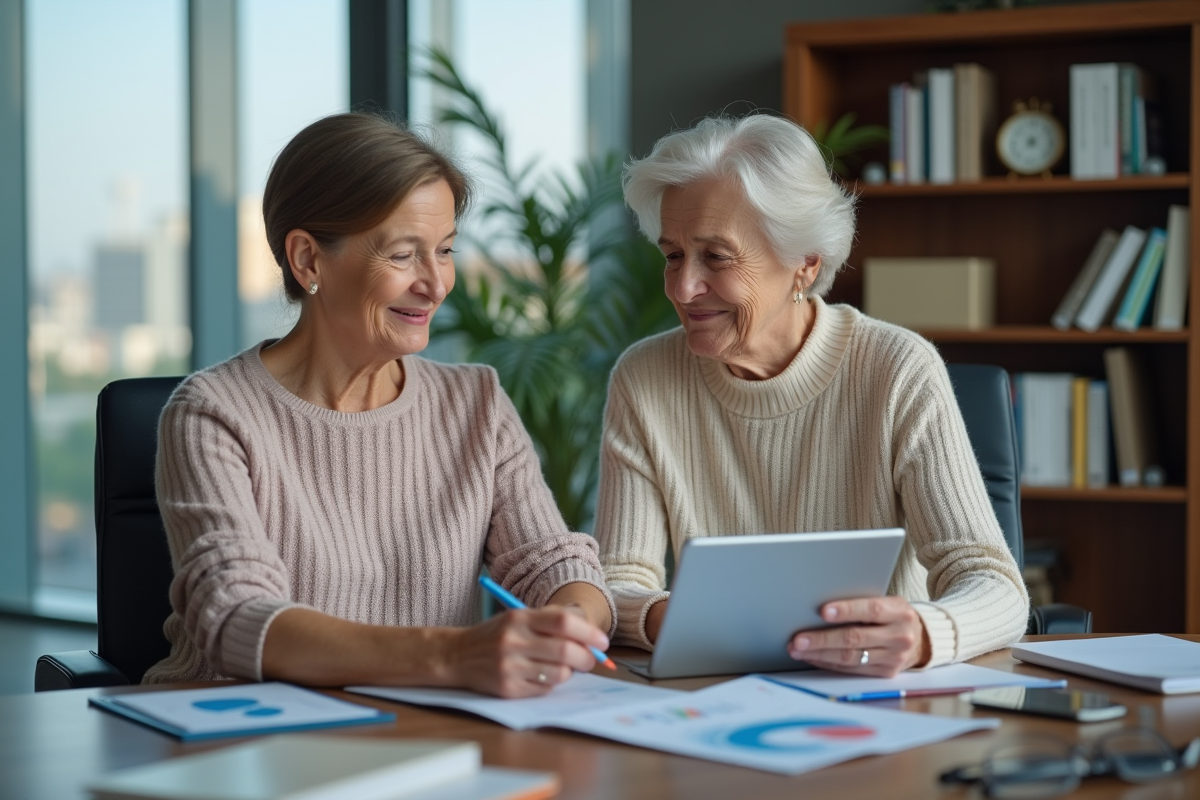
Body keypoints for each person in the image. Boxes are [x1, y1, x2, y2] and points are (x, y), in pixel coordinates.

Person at [144, 113, 614, 697]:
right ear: (309, 260)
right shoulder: (213, 413)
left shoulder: (477, 403)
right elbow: (238, 616)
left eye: (443, 251)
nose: (436, 284)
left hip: (428, 736)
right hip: (245, 743)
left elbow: (552, 565)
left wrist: (570, 619)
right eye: (402, 255)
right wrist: (455, 653)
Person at [594, 114, 1029, 677]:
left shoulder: (897, 369)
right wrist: (663, 616)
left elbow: (994, 583)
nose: (682, 287)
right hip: (713, 697)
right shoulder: (645, 377)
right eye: (673, 254)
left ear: (804, 263)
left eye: (717, 257)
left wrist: (924, 633)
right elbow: (616, 581)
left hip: (874, 694)